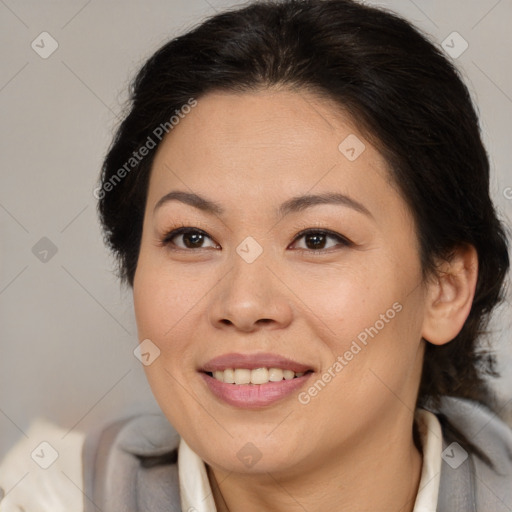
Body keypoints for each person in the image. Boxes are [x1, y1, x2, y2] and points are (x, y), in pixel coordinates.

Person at [1, 0, 511, 510]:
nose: (244, 305)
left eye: (317, 239)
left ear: (445, 289)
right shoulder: (47, 496)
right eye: (192, 238)